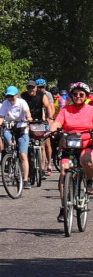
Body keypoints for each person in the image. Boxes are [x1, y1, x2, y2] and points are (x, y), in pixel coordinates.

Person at [49, 82, 93, 222]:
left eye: (81, 94)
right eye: (75, 94)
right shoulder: (65, 110)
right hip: (69, 145)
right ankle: (64, 207)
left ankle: (90, 181)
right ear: (71, 96)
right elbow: (57, 123)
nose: (78, 97)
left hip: (87, 143)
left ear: (86, 96)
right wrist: (53, 130)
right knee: (63, 171)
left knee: (87, 160)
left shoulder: (91, 110)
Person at [0, 86, 33, 188]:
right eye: (8, 96)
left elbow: (27, 112)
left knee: (23, 155)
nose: (10, 98)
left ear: (17, 95)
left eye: (12, 96)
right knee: (11, 144)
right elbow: (1, 116)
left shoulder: (22, 102)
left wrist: (28, 117)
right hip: (9, 128)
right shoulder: (5, 104)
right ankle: (11, 159)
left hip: (22, 128)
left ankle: (25, 179)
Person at [22, 80, 56, 178]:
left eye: (32, 87)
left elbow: (47, 106)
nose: (30, 90)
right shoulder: (23, 95)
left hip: (39, 121)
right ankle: (28, 169)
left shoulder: (42, 95)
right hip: (26, 121)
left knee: (41, 145)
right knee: (27, 145)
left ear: (36, 88)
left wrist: (50, 118)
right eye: (28, 87)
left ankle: (42, 168)